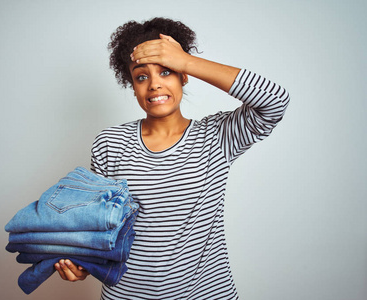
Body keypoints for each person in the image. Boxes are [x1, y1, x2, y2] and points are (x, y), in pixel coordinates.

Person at [54, 17, 289, 299]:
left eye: (166, 72)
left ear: (183, 75)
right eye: (142, 76)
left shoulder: (217, 136)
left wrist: (185, 60)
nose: (154, 84)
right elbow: (99, 225)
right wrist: (83, 264)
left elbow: (275, 101)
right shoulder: (110, 143)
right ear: (132, 83)